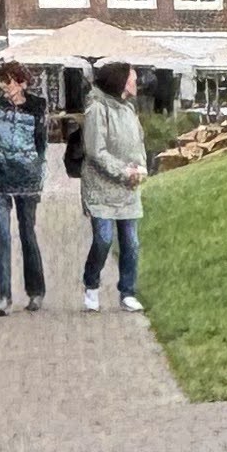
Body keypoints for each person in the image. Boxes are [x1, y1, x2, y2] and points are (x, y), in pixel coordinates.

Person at [0, 57, 50, 313]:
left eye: (9, 81)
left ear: (22, 83)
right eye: (1, 81)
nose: (4, 86)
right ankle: (2, 297)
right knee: (3, 237)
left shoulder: (38, 107)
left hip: (26, 180)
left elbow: (41, 147)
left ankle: (36, 291)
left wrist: (38, 177)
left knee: (28, 233)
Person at [79, 60, 149, 311]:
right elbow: (96, 151)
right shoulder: (97, 109)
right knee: (104, 239)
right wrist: (122, 171)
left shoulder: (129, 109)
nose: (136, 83)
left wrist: (140, 168)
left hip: (128, 188)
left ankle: (127, 292)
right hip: (101, 188)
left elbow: (138, 144)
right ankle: (91, 284)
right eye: (132, 78)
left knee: (131, 242)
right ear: (120, 82)